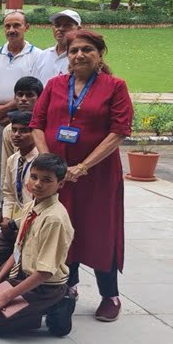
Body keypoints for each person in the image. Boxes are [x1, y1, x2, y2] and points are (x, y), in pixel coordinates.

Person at [30, 29, 133, 322]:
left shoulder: (114, 86)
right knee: (63, 229)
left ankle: (109, 295)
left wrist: (84, 166)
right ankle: (69, 287)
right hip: (60, 178)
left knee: (100, 231)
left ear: (100, 55)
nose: (79, 55)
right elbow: (38, 122)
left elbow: (119, 131)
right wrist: (50, 164)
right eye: (74, 50)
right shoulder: (55, 85)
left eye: (87, 49)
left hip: (97, 177)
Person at [0, 153, 76, 337]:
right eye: (34, 177)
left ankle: (56, 304)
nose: (37, 184)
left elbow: (45, 272)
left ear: (60, 184)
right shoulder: (31, 207)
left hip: (45, 287)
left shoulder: (54, 219)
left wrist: (6, 296)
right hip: (24, 277)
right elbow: (17, 251)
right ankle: (28, 310)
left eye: (46, 180)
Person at [0, 10, 41, 208]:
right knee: (1, 164)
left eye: (16, 25)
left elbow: (33, 88)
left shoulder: (36, 55)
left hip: (25, 117)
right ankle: (4, 206)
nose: (12, 30)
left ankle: (27, 206)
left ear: (27, 27)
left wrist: (8, 109)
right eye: (8, 26)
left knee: (29, 162)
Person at [0, 111, 39, 275]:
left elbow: (41, 206)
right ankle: (11, 254)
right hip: (13, 223)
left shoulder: (41, 161)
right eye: (14, 130)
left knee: (4, 274)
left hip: (33, 226)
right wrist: (7, 219)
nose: (17, 135)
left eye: (23, 130)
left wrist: (15, 224)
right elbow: (9, 193)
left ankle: (16, 260)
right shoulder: (13, 159)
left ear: (35, 132)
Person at [0, 76, 43, 190]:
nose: (23, 99)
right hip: (17, 185)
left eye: (29, 95)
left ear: (40, 97)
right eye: (20, 94)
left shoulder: (46, 127)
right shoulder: (9, 130)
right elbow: (6, 164)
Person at [36, 10, 82, 86]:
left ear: (79, 29)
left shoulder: (81, 58)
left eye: (67, 25)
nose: (60, 29)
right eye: (57, 25)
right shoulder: (43, 56)